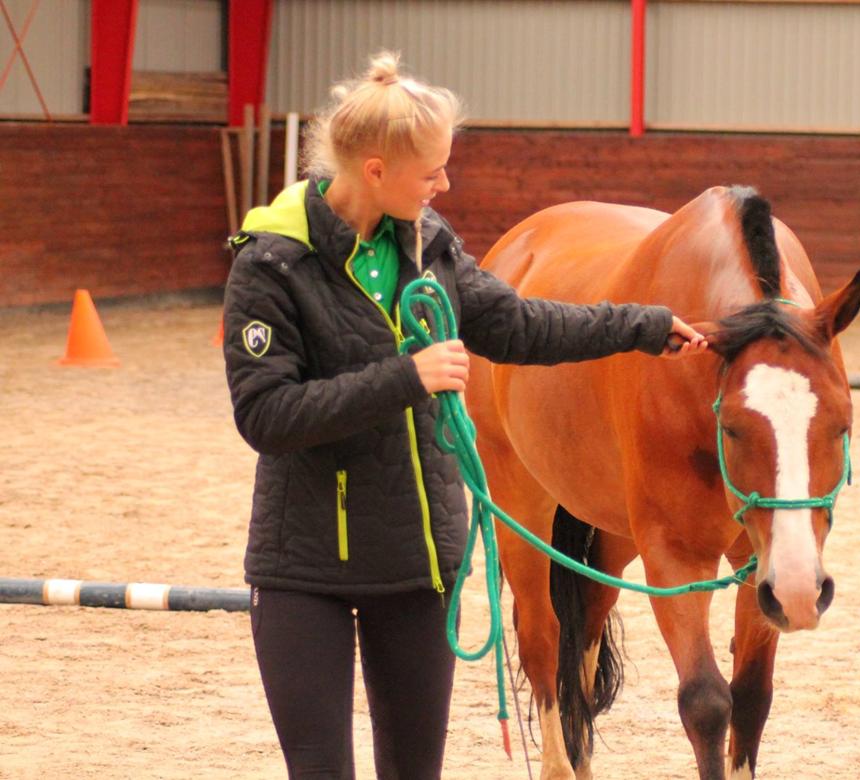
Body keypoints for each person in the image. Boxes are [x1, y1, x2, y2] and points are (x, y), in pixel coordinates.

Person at [222, 51, 707, 780]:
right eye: (432, 172)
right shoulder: (271, 266)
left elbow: (521, 326)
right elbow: (266, 414)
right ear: (376, 170)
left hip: (420, 568)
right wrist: (406, 377)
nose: (445, 184)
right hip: (305, 569)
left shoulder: (429, 245)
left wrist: (641, 327)